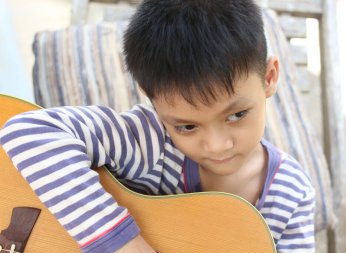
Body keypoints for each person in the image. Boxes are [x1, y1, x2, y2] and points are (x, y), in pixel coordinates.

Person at [0, 0, 315, 252]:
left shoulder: (292, 196)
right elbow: (25, 132)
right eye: (187, 127)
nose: (217, 145)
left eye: (236, 115)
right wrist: (122, 243)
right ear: (155, 102)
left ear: (270, 77)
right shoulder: (148, 142)